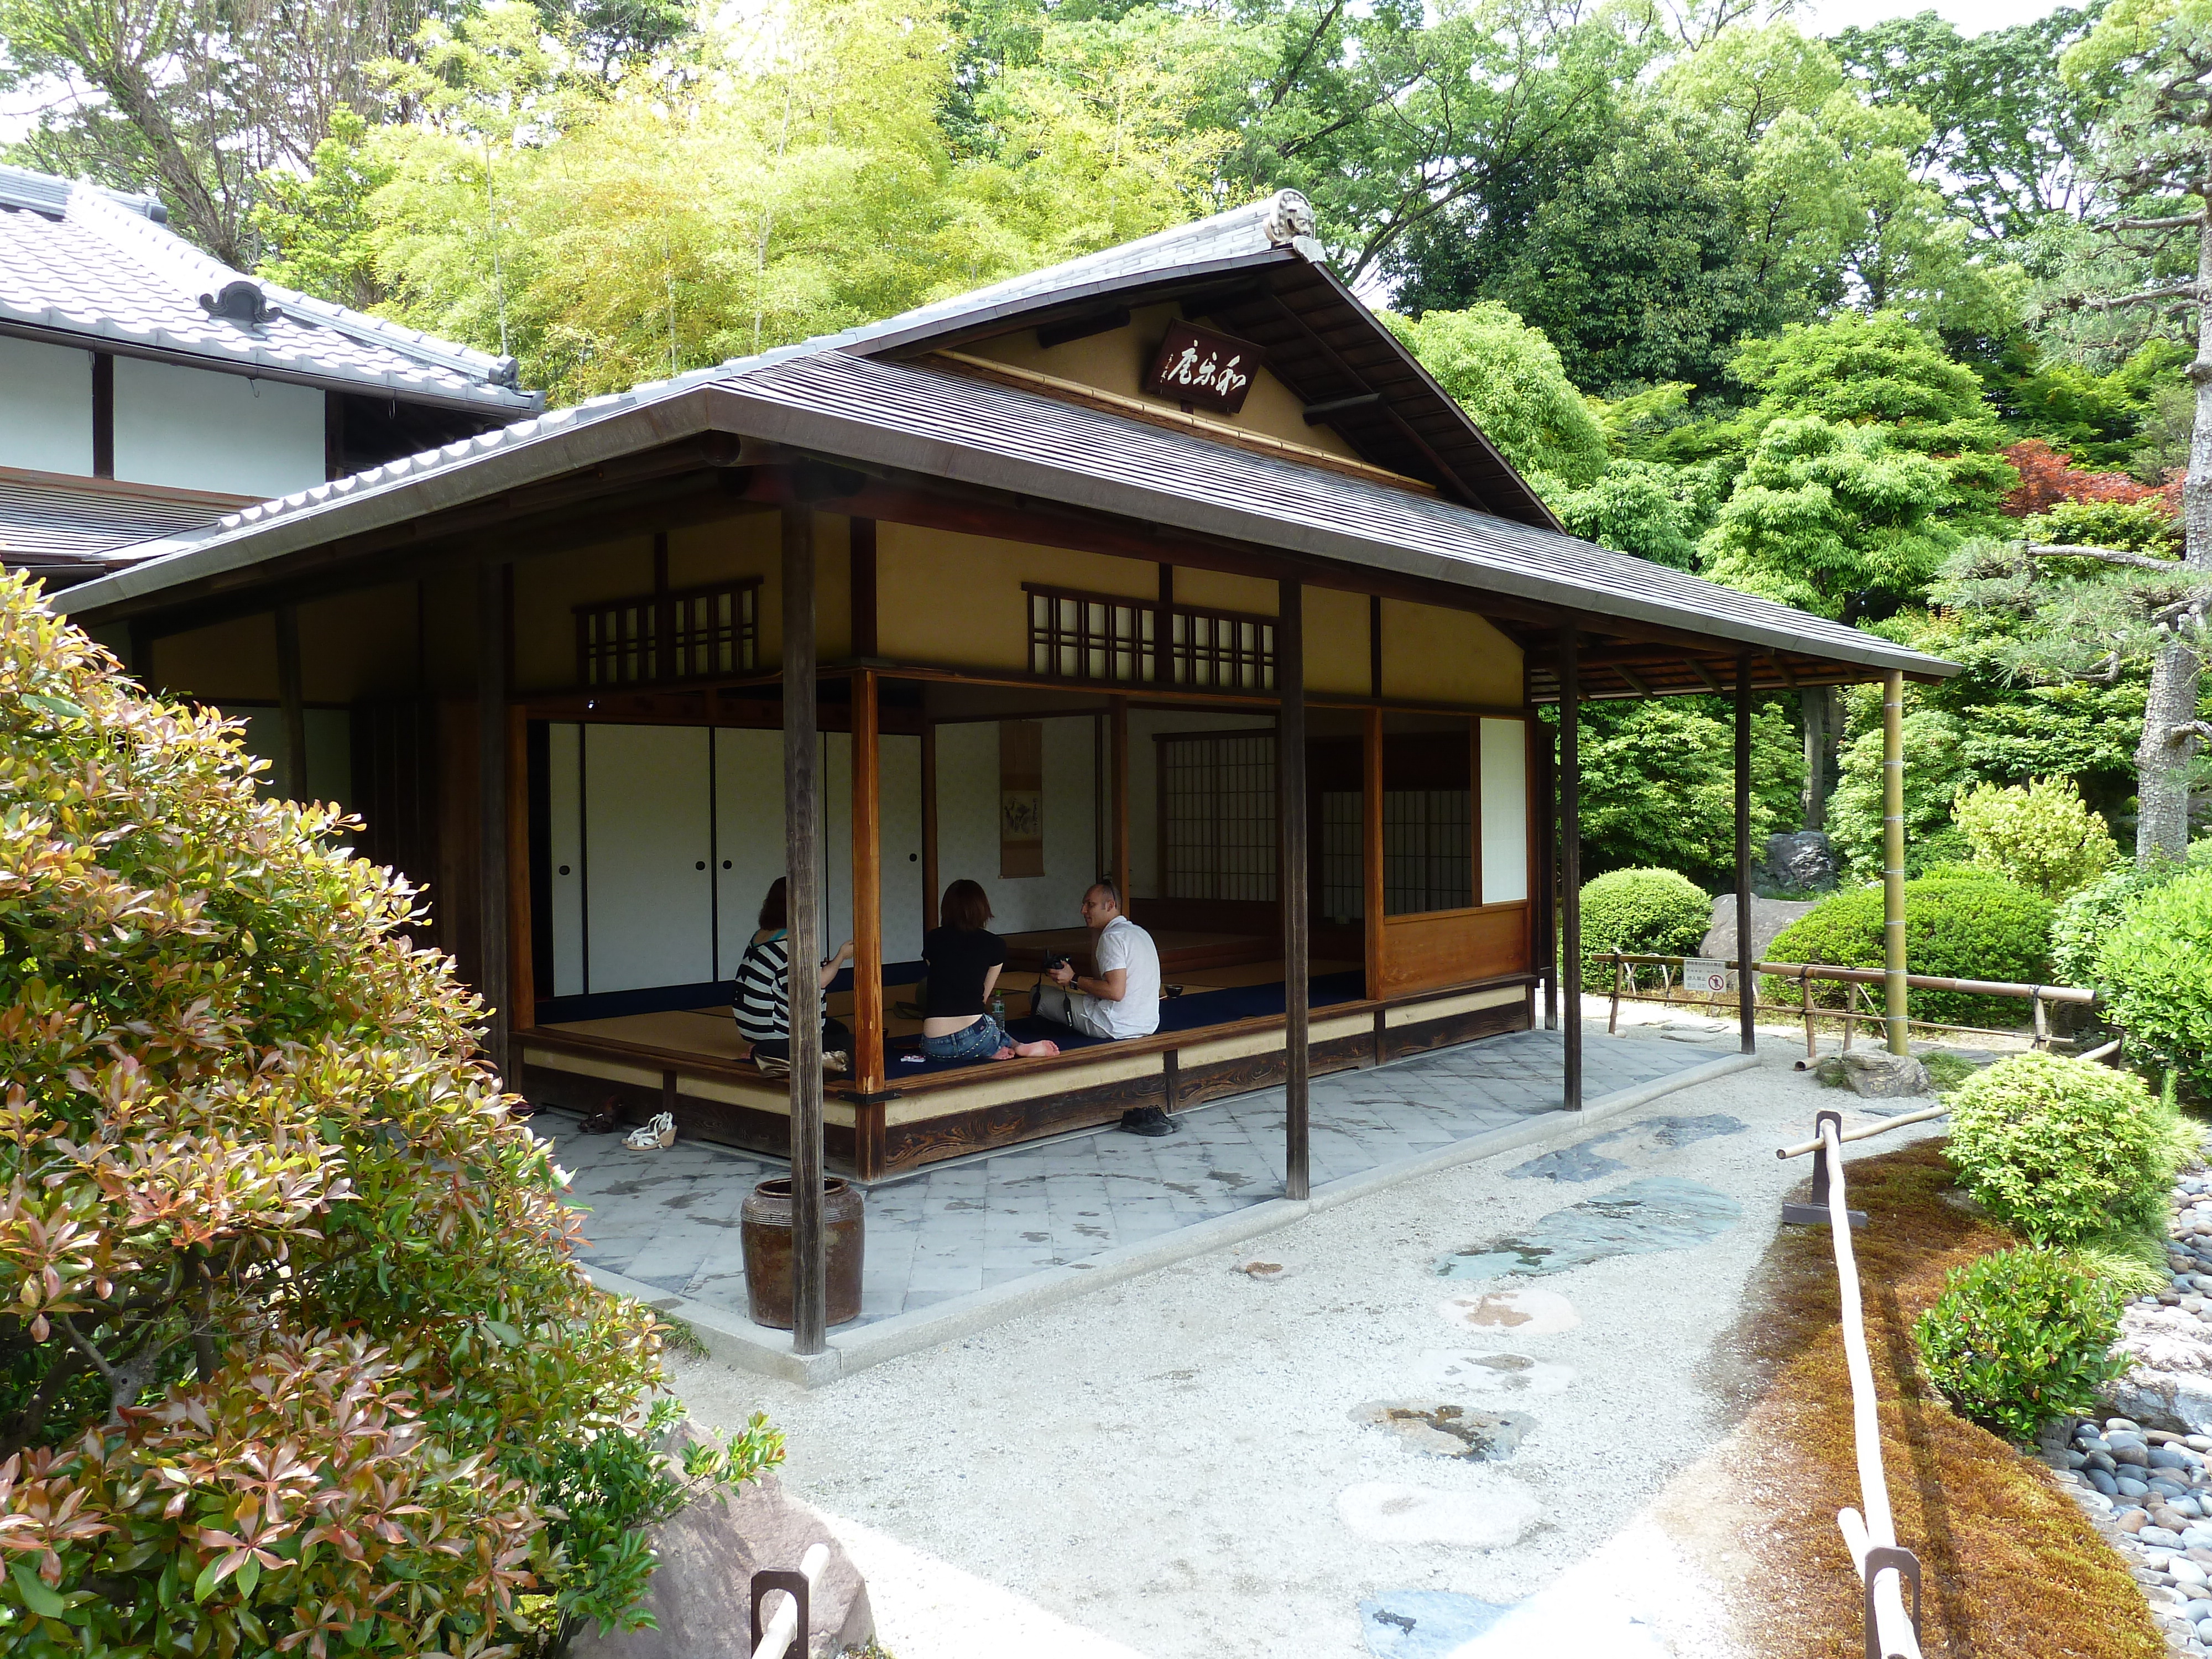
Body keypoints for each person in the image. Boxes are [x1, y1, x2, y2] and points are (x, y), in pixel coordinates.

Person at [1034, 879, 1171, 1133]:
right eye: (1084, 905)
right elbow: (1103, 977)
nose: (1084, 910)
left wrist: (1073, 979)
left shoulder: (1113, 938)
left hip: (1114, 1025)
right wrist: (1095, 935)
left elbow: (1114, 992)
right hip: (1147, 1023)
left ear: (1110, 905)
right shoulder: (1138, 933)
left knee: (1040, 995)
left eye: (1091, 905)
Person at [919, 880, 1061, 1063]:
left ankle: (990, 1049)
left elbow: (942, 980)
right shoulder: (996, 945)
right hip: (976, 1039)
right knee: (988, 1023)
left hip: (934, 1046)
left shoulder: (933, 939)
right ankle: (1014, 1046)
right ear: (983, 909)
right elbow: (982, 998)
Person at [734, 877, 854, 1073]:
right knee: (846, 1045)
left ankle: (764, 1047)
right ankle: (769, 1051)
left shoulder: (761, 935)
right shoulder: (793, 942)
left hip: (753, 1027)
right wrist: (841, 956)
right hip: (775, 1029)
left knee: (836, 1029)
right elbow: (818, 983)